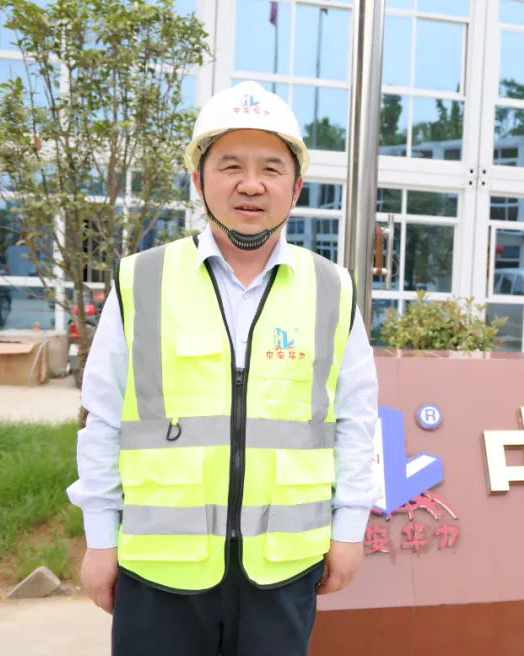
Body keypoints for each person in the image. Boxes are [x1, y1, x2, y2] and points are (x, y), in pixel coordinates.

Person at [66, 81, 378, 656]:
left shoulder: (332, 289)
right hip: (160, 571)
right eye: (231, 165)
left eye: (271, 168)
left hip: (283, 568)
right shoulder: (141, 280)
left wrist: (350, 529)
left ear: (296, 186)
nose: (251, 184)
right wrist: (100, 540)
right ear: (198, 180)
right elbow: (103, 420)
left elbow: (357, 422)